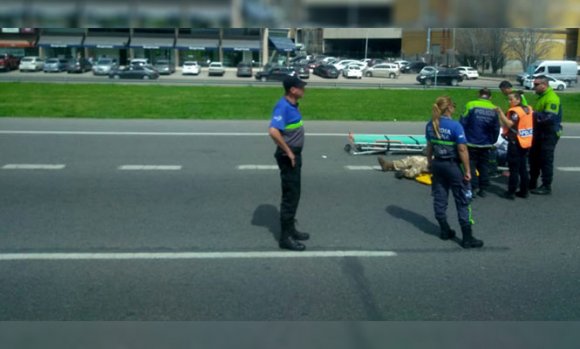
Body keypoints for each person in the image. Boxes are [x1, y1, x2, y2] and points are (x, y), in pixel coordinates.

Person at [426, 96, 483, 249]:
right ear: (450, 108)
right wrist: (468, 170)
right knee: (463, 200)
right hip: (452, 166)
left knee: (439, 197)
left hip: (437, 164)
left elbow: (429, 146)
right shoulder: (455, 126)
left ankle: (444, 230)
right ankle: (467, 237)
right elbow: (462, 149)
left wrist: (430, 163)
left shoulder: (430, 125)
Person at [268, 76, 309, 251]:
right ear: (293, 90)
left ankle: (291, 229)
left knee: (295, 194)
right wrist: (290, 152)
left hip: (294, 155)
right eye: (301, 87)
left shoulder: (292, 105)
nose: (304, 90)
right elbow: (273, 131)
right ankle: (285, 238)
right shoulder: (283, 106)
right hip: (288, 156)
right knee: (290, 196)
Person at [460, 88, 500, 198]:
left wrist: (461, 138)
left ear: (479, 94)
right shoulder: (494, 109)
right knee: (484, 166)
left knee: (471, 165)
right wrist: (493, 140)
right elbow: (496, 127)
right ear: (490, 97)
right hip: (486, 143)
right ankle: (483, 189)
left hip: (471, 141)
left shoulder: (471, 105)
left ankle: (473, 187)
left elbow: (463, 121)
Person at [496, 92, 534, 199]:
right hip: (526, 142)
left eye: (510, 99)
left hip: (515, 143)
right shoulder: (528, 109)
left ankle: (511, 192)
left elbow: (508, 124)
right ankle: (524, 191)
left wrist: (500, 112)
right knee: (523, 168)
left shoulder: (515, 112)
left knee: (513, 169)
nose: (509, 102)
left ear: (518, 100)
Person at [529, 75, 562, 195]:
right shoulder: (542, 97)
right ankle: (532, 182)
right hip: (539, 134)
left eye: (537, 84)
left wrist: (532, 114)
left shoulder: (552, 98)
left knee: (545, 160)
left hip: (549, 134)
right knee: (534, 158)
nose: (534, 86)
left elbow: (549, 118)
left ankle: (546, 186)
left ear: (544, 85)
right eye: (534, 84)